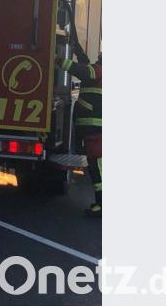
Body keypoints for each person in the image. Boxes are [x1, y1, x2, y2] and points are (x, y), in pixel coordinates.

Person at [57, 47, 102, 217]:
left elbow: (81, 70)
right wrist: (78, 50)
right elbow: (87, 68)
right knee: (96, 170)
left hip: (96, 133)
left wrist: (58, 60)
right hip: (96, 133)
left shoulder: (99, 71)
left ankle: (101, 206)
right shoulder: (100, 73)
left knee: (98, 173)